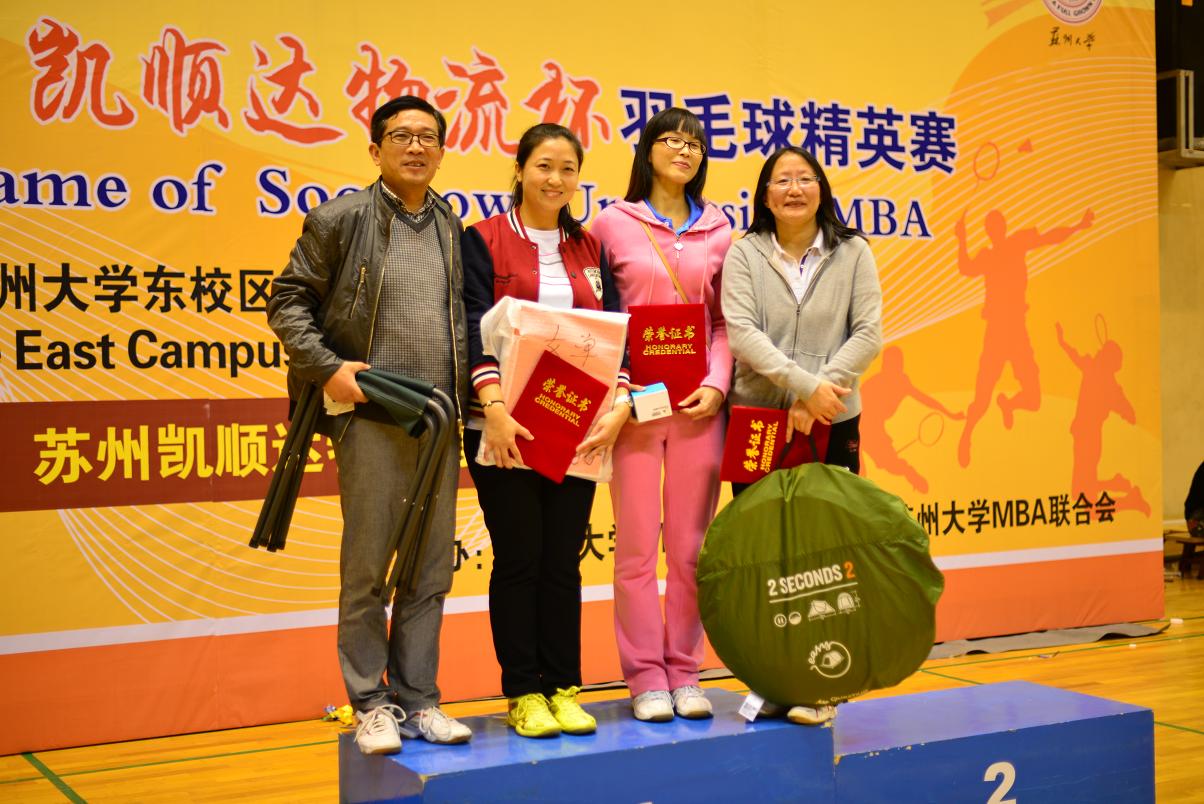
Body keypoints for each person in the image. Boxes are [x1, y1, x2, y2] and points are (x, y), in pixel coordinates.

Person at [267, 96, 473, 755]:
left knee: (429, 571)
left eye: (428, 137)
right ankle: (370, 703)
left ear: (442, 151)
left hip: (439, 423)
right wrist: (328, 368)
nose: (416, 147)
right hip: (371, 417)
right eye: (401, 135)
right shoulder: (341, 218)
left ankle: (419, 700)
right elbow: (287, 300)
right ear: (375, 149)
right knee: (367, 571)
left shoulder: (452, 225)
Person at [462, 123, 630, 739]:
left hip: (576, 429)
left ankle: (563, 688)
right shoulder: (481, 240)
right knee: (519, 560)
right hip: (502, 425)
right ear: (520, 170)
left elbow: (616, 332)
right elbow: (470, 325)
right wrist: (494, 405)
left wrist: (619, 402)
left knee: (563, 561)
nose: (555, 179)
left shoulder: (591, 249)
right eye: (543, 166)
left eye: (568, 169)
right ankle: (523, 692)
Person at [721, 145, 883, 725]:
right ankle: (772, 678)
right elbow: (741, 333)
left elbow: (868, 334)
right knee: (764, 554)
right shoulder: (744, 252)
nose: (794, 189)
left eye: (805, 178)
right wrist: (800, 387)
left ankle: (820, 680)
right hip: (758, 422)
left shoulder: (853, 250)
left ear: (822, 190)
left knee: (825, 554)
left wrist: (819, 394)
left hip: (833, 420)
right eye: (782, 180)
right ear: (765, 195)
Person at [590, 107, 731, 723]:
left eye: (694, 143)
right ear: (646, 151)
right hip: (634, 410)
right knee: (636, 551)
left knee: (692, 550)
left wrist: (718, 385)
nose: (683, 150)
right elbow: (600, 316)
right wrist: (620, 391)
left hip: (699, 408)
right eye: (670, 140)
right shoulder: (611, 224)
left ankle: (686, 671)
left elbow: (723, 323)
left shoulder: (721, 229)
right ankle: (646, 676)